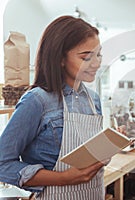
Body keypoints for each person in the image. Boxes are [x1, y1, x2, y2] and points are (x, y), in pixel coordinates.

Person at [0, 16, 108, 199]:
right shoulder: (37, 101)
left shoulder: (93, 100)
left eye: (98, 55)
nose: (96, 63)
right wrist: (63, 178)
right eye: (87, 57)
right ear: (60, 58)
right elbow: (2, 164)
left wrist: (108, 147)